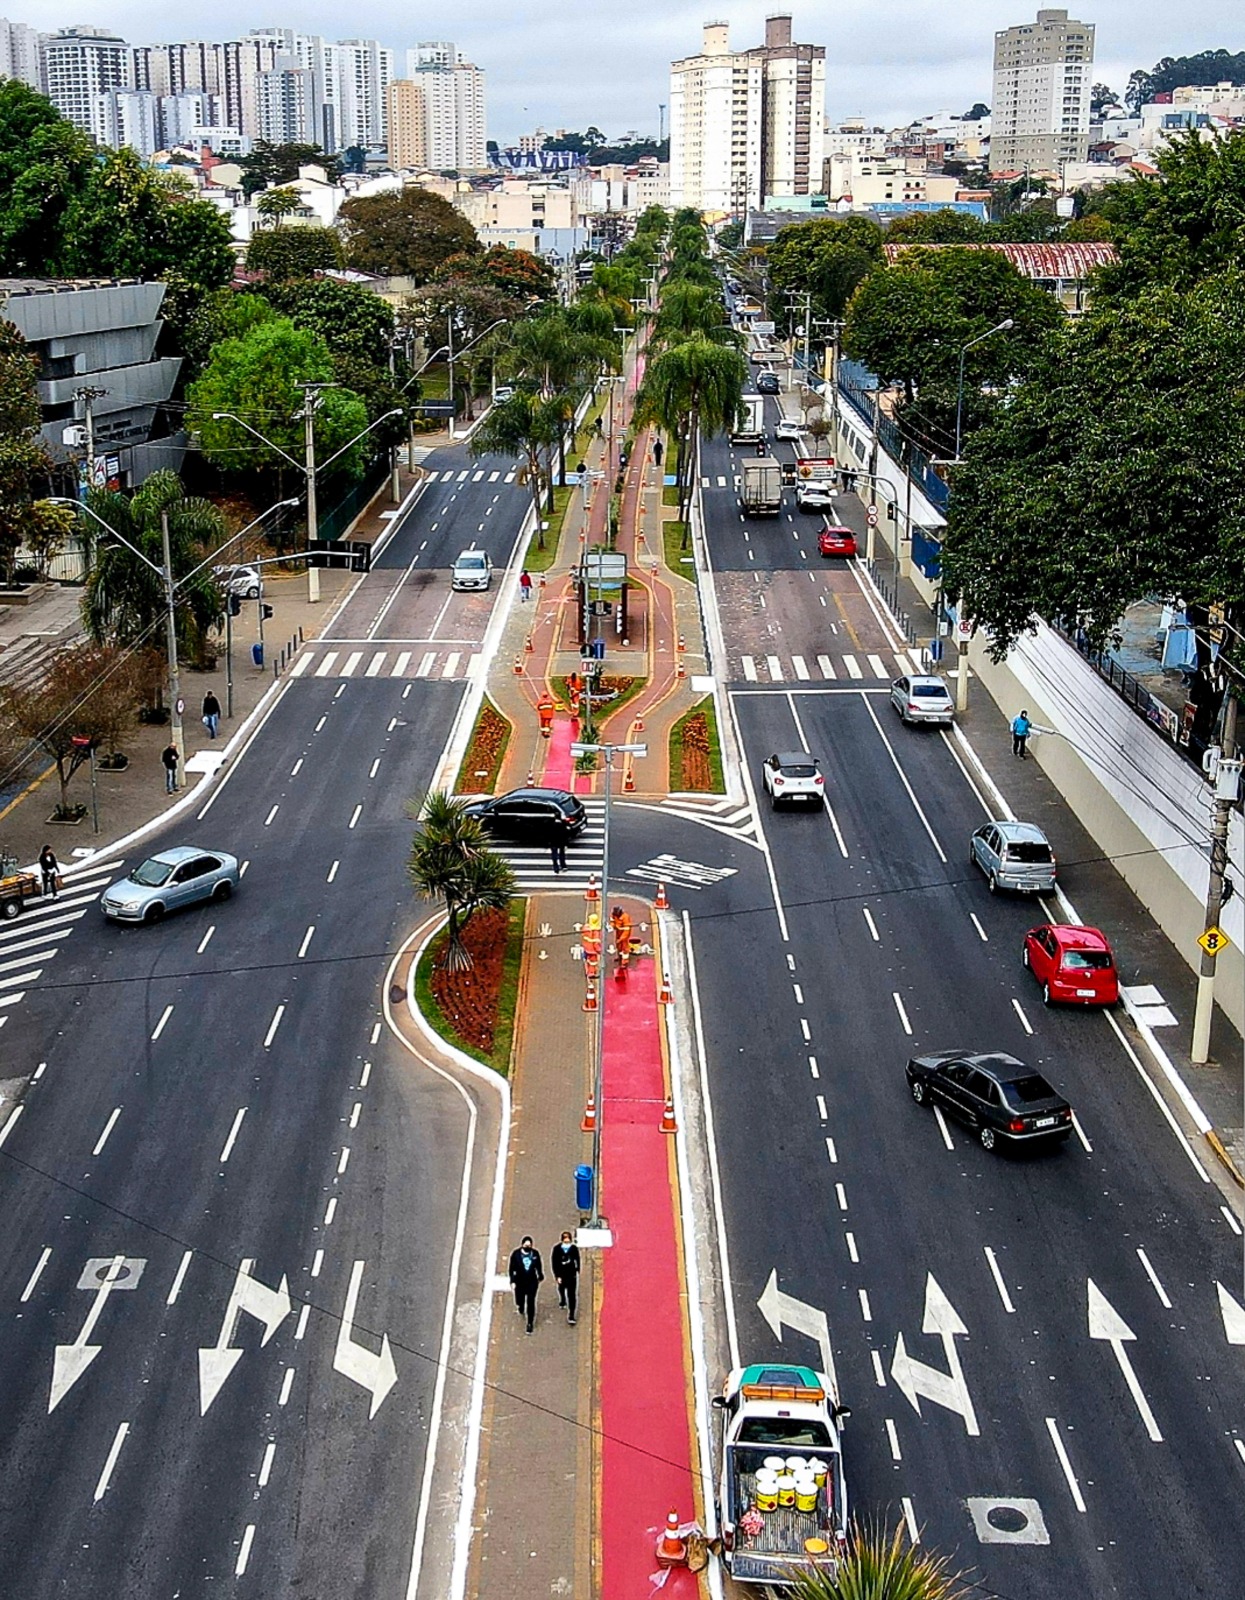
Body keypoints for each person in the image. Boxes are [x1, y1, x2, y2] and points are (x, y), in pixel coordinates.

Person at [508, 1236, 543, 1334]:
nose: (527, 1246)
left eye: (529, 1245)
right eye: (526, 1245)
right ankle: (520, 1306)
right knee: (520, 1299)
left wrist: (540, 1275)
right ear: (522, 1244)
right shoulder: (516, 1255)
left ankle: (530, 1322)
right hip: (520, 1281)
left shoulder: (535, 1254)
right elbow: (512, 1269)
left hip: (531, 1282)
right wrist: (513, 1281)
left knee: (531, 1302)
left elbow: (538, 1265)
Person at [551, 1231, 582, 1325]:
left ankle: (571, 1315)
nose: (567, 1244)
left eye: (568, 1242)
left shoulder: (574, 1249)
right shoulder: (556, 1249)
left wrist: (578, 1269)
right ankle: (563, 1300)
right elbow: (554, 1263)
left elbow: (577, 1259)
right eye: (565, 1242)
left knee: (572, 1295)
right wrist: (557, 1276)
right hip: (561, 1275)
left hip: (571, 1275)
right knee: (561, 1288)